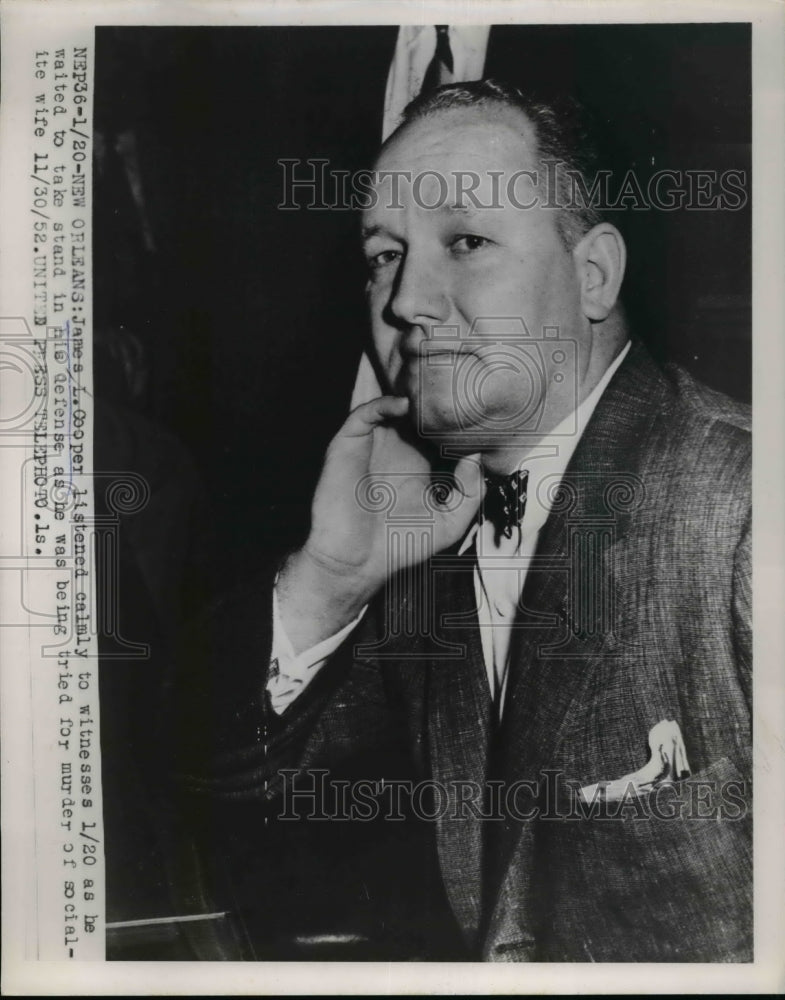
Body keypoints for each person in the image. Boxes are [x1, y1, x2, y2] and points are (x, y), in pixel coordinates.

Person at [169, 80, 751, 962]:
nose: (404, 301)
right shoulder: (430, 544)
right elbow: (207, 777)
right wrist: (331, 577)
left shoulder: (742, 504)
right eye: (382, 256)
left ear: (592, 275)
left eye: (466, 241)